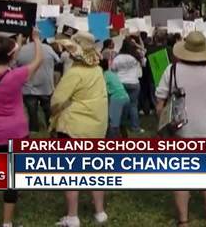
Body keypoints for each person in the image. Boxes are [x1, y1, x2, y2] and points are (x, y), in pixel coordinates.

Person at [0, 18, 42, 227]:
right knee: (11, 181)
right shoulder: (17, 75)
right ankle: (7, 223)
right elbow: (38, 60)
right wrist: (36, 39)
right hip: (15, 132)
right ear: (12, 56)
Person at [155, 31, 206, 226]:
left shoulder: (171, 70)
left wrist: (163, 125)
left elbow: (160, 102)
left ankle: (183, 220)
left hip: (180, 131)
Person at [50, 31, 109, 227]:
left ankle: (73, 216)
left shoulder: (74, 73)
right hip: (97, 128)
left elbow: (56, 100)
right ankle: (100, 212)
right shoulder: (98, 71)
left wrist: (54, 114)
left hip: (73, 128)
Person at [16, 35, 61, 133]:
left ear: (29, 38)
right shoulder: (47, 48)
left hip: (28, 86)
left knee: (32, 112)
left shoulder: (23, 49)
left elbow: (16, 63)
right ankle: (51, 129)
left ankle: (34, 130)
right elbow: (58, 60)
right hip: (46, 86)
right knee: (48, 109)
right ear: (39, 38)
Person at [112, 38, 146, 133]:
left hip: (120, 83)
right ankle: (135, 127)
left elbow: (113, 69)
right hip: (134, 83)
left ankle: (118, 126)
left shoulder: (117, 58)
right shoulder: (136, 56)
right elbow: (144, 52)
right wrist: (137, 45)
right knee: (133, 106)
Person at [101, 59, 130, 138]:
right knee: (121, 122)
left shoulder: (103, 76)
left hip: (117, 98)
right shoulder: (112, 74)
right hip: (126, 97)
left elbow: (103, 92)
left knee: (113, 124)